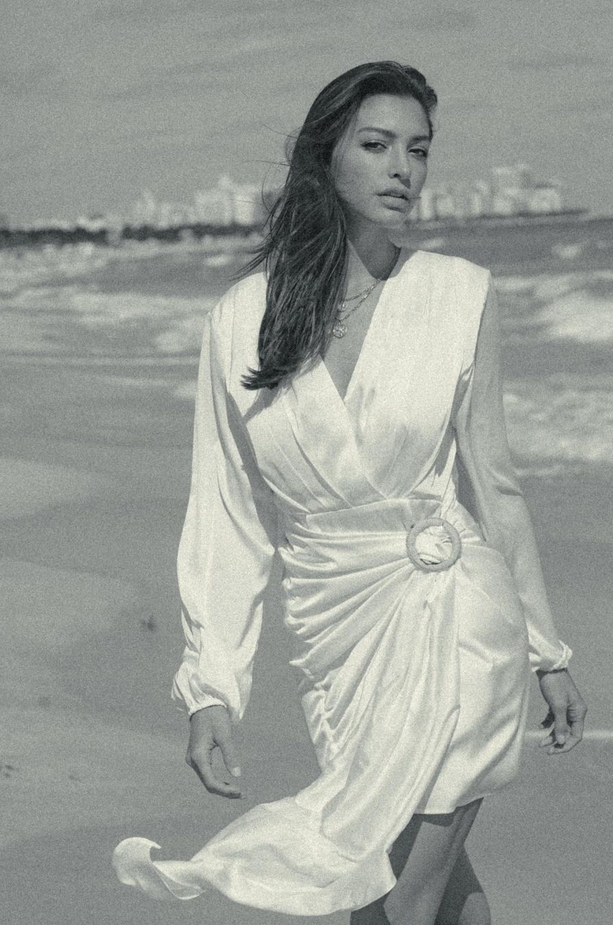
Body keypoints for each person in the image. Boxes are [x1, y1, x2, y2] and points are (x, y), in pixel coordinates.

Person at [112, 61, 587, 925]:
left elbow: (496, 483)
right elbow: (226, 507)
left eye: (420, 148)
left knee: (393, 895)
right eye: (377, 145)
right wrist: (212, 685)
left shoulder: (459, 294)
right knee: (439, 887)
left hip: (455, 617)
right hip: (335, 639)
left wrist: (546, 649)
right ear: (324, 155)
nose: (404, 168)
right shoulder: (241, 319)